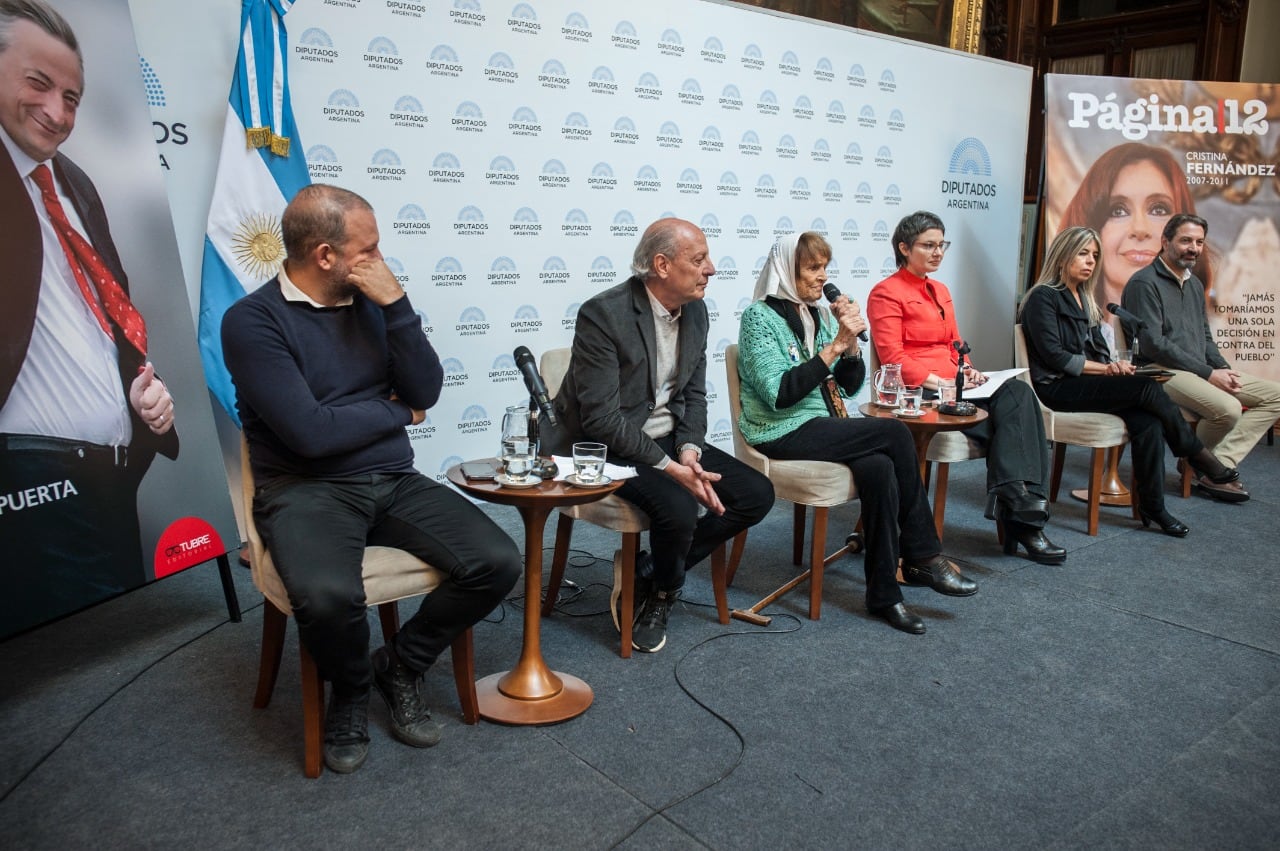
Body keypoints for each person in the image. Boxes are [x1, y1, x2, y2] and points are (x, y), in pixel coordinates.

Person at [221, 184, 521, 774]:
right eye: (370, 249)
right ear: (326, 255)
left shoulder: (376, 305)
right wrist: (395, 415)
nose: (380, 260)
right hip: (303, 488)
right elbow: (309, 434)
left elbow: (426, 391)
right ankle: (351, 692)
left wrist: (398, 306)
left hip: (390, 477)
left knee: (498, 560)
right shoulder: (251, 322)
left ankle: (400, 666)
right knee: (329, 599)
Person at [0, 0, 177, 626]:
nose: (57, 112)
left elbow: (105, 312)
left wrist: (142, 392)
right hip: (27, 474)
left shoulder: (70, 181)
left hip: (110, 472)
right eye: (38, 83)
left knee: (117, 636)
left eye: (72, 96)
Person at [544, 217, 774, 653]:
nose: (711, 269)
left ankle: (647, 570)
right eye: (699, 258)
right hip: (607, 447)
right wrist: (671, 470)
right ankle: (664, 595)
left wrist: (689, 451)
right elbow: (601, 420)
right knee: (679, 507)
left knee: (756, 494)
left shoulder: (698, 311)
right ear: (662, 264)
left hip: (669, 438)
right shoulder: (604, 314)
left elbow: (693, 394)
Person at [736, 232, 977, 634]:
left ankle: (884, 595)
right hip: (778, 429)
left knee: (880, 468)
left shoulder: (818, 313)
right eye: (813, 268)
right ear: (786, 269)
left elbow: (847, 387)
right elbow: (780, 394)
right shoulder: (759, 317)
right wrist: (834, 347)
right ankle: (922, 554)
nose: (822, 277)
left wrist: (850, 350)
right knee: (896, 434)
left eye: (825, 267)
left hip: (822, 424)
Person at [867, 211, 1065, 564]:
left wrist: (968, 372)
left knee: (1019, 395)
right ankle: (1024, 517)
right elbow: (893, 358)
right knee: (1013, 413)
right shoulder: (886, 292)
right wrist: (940, 382)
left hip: (955, 389)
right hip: (920, 394)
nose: (938, 252)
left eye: (942, 245)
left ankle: (1019, 506)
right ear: (903, 247)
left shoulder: (940, 290)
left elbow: (955, 344)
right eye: (928, 245)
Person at [1019, 226, 1243, 534]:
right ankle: (1197, 455)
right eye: (1083, 253)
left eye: (1094, 255)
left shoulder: (1085, 298)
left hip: (1084, 384)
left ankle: (1154, 506)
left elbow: (1096, 352)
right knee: (1148, 388)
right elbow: (1058, 358)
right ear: (1062, 256)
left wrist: (1115, 365)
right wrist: (1107, 371)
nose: (1090, 261)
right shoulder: (1042, 298)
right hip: (1056, 388)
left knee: (1147, 421)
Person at [1122, 213, 1280, 498]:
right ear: (1165, 241)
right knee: (1228, 409)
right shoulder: (1143, 283)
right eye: (1185, 240)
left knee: (1276, 395)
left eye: (1199, 242)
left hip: (1197, 369)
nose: (1193, 248)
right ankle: (1205, 465)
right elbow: (1153, 344)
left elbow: (1205, 336)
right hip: (1158, 370)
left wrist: (1222, 368)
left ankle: (1213, 466)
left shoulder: (1193, 283)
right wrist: (1208, 374)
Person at [1057, 142, 1209, 355]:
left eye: (1158, 209)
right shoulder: (1065, 316)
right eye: (1118, 210)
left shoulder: (1197, 300)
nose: (1140, 229)